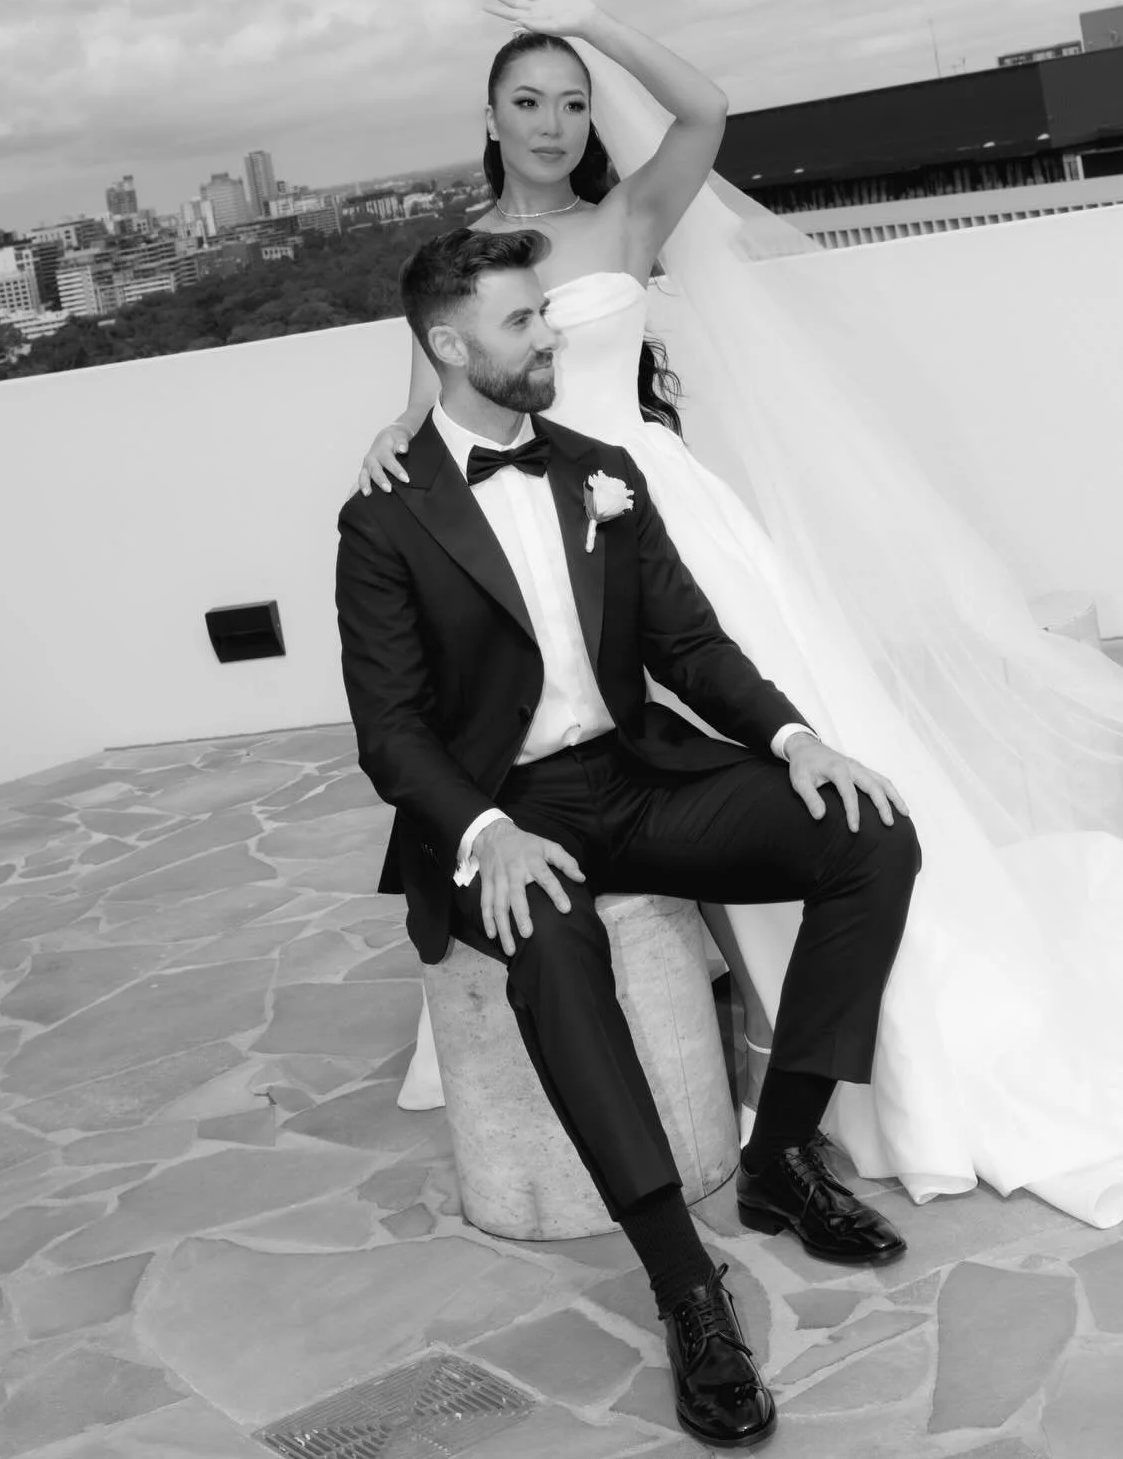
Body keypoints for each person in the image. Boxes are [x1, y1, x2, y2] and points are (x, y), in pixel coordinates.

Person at [361, 0, 1123, 1231]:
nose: (553, 122)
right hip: (544, 559)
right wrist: (386, 443)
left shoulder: (628, 217)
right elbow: (427, 410)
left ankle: (856, 1073)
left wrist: (594, 16)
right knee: (579, 754)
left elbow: (709, 108)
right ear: (490, 116)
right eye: (527, 101)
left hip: (652, 521)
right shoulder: (459, 262)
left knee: (813, 766)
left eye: (571, 100)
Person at [336, 226, 921, 1448]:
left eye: (544, 314)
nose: (547, 336)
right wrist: (484, 831)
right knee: (553, 949)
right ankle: (683, 1284)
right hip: (511, 809)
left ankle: (782, 1156)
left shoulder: (601, 469)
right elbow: (390, 732)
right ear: (448, 346)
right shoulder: (384, 522)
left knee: (871, 834)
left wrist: (796, 737)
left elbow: (689, 647)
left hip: (636, 776)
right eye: (519, 323)